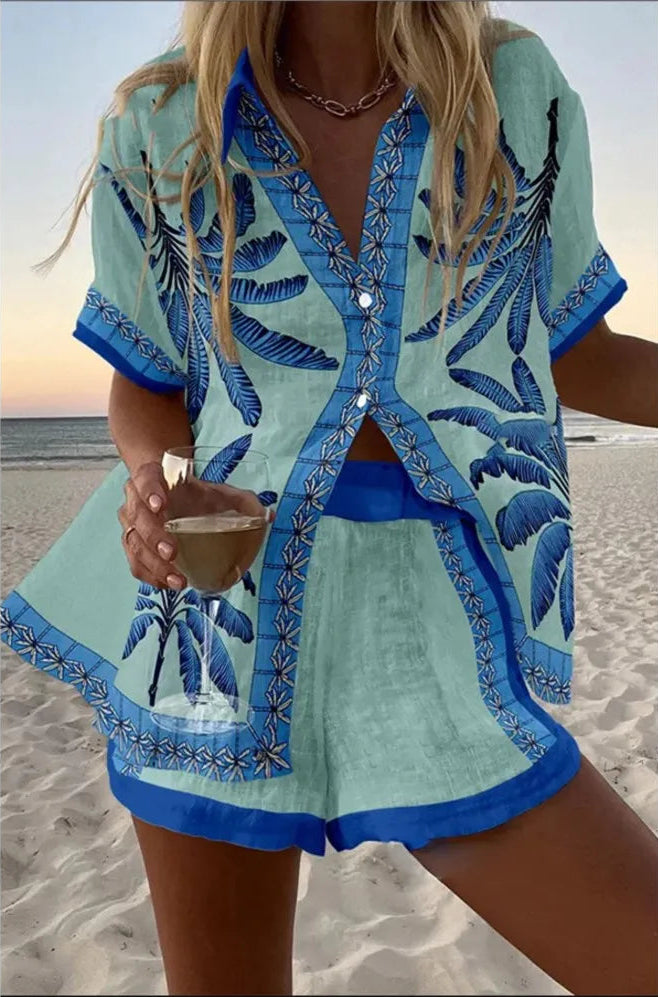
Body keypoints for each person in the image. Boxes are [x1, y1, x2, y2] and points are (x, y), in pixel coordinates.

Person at [2, 1, 657, 994]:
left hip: (433, 616)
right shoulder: (162, 116)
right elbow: (144, 377)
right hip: (216, 620)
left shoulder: (514, 90)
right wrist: (164, 484)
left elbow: (581, 351)